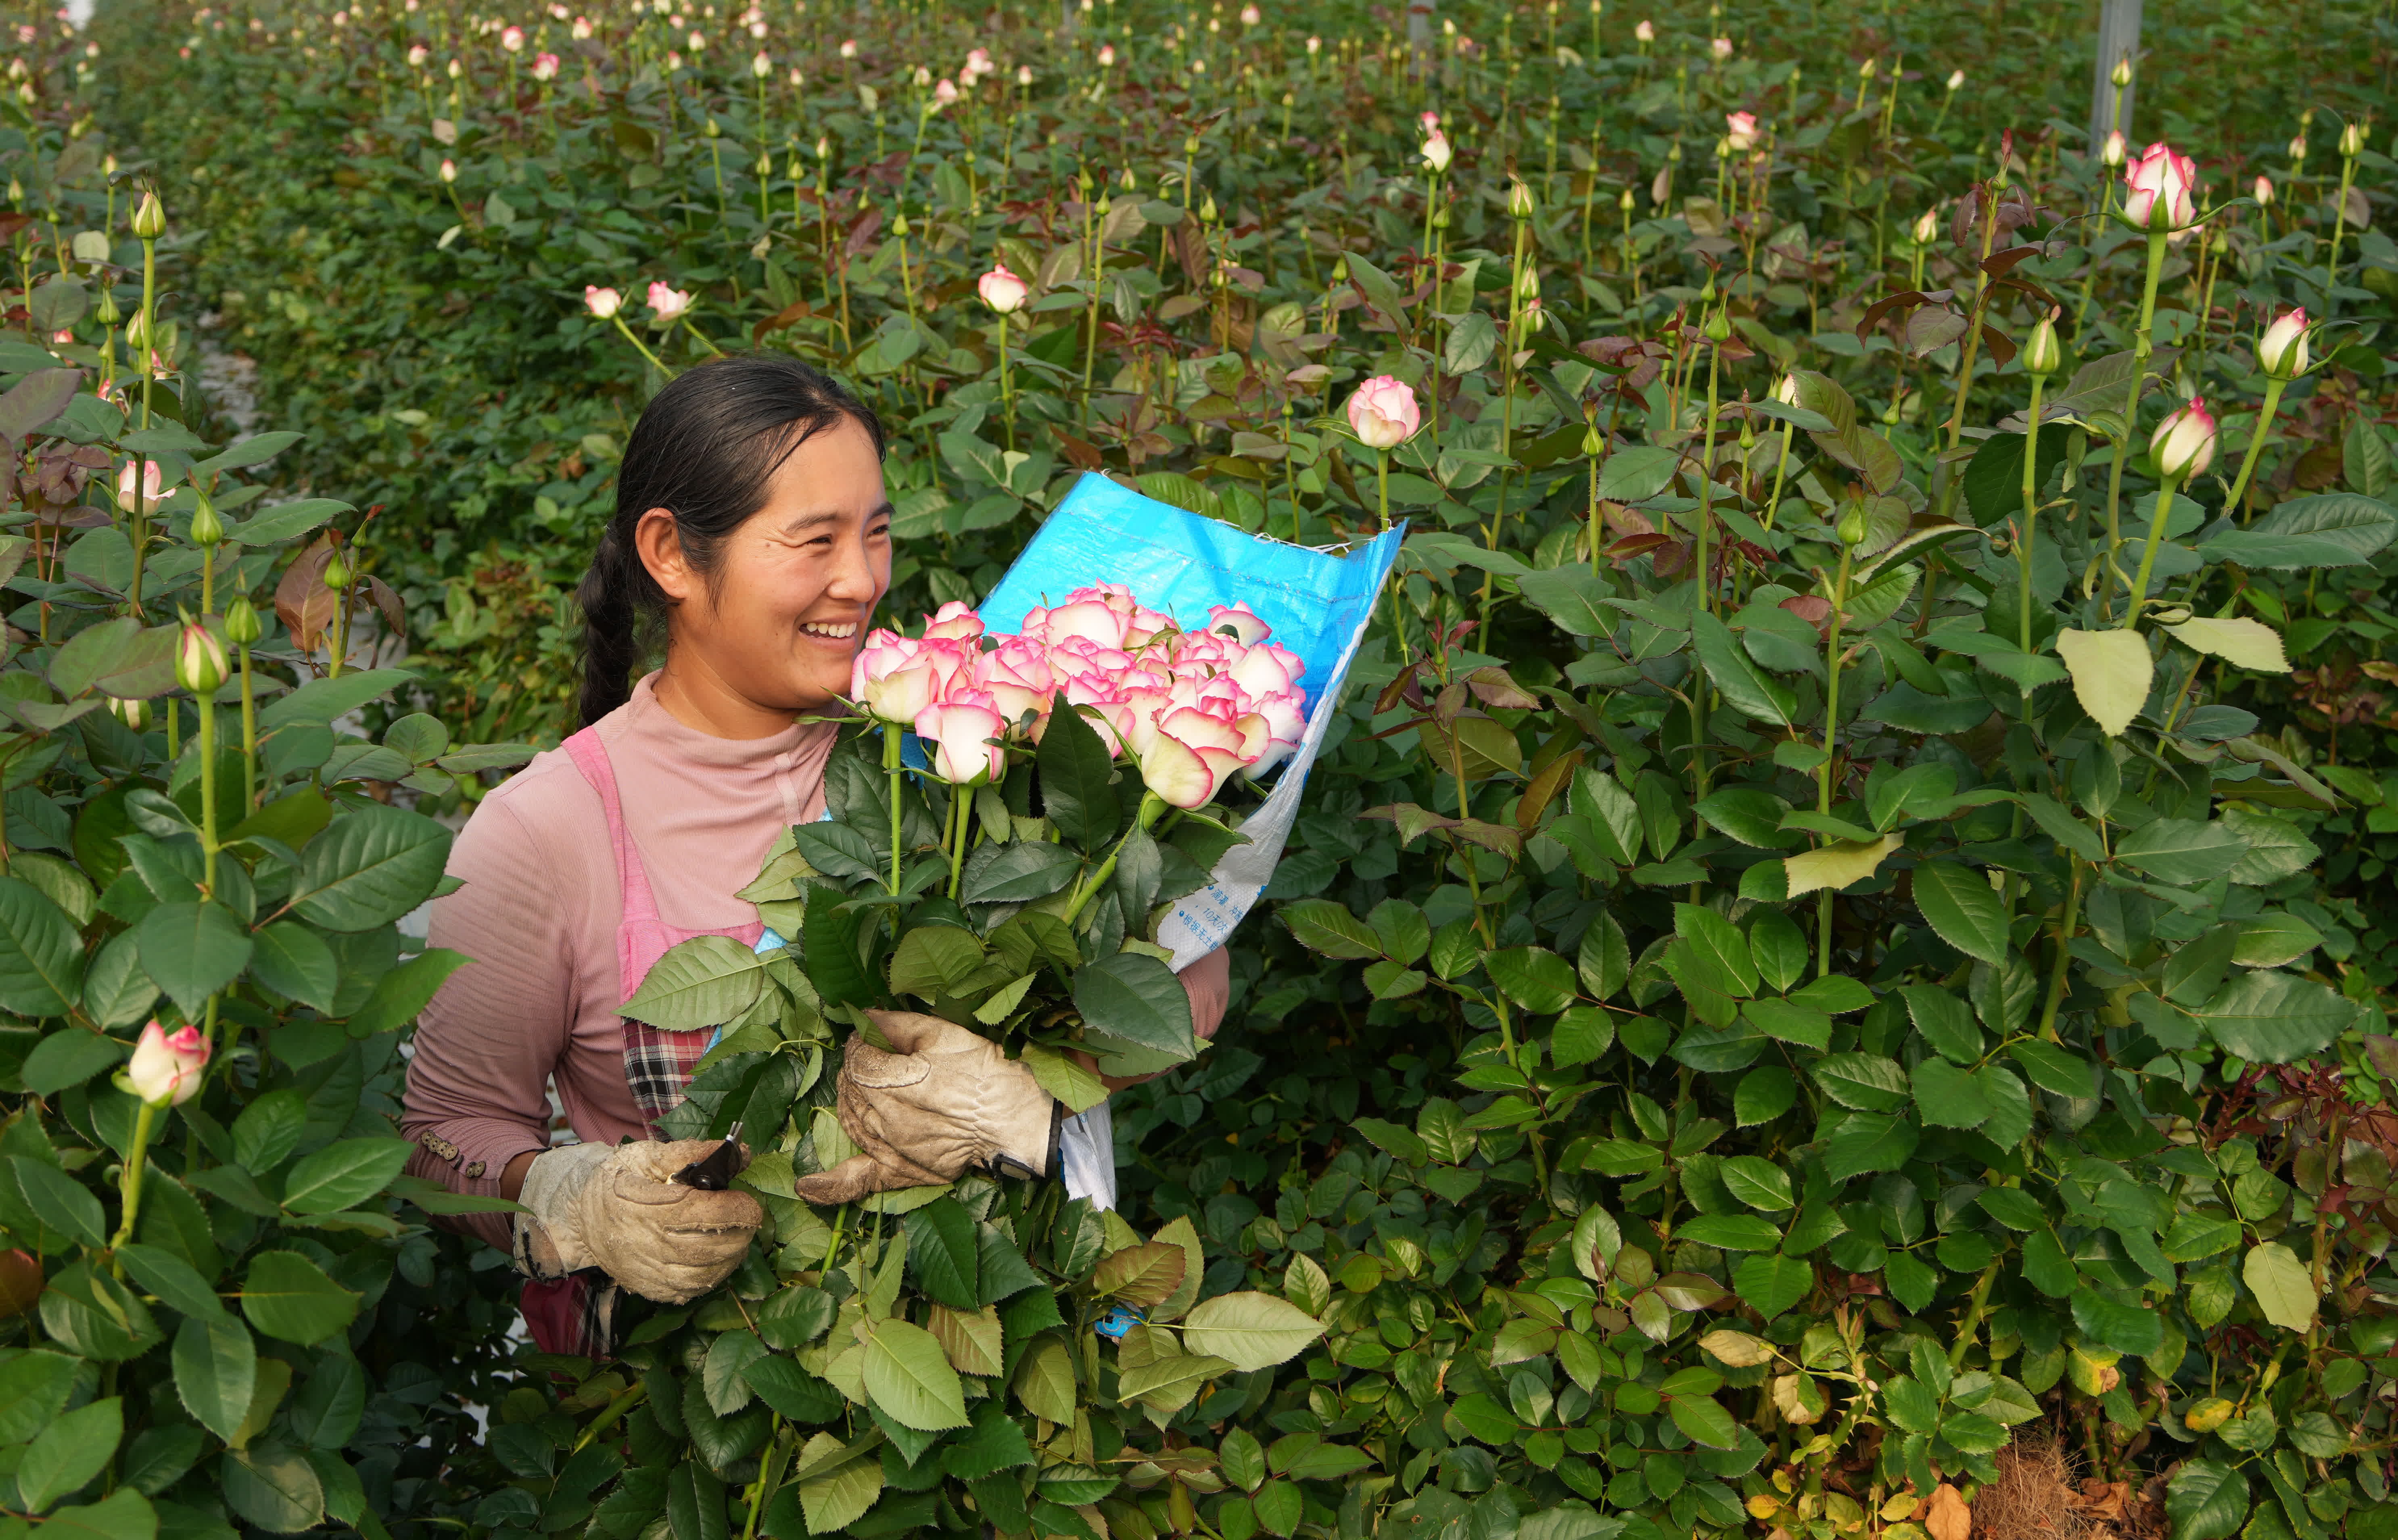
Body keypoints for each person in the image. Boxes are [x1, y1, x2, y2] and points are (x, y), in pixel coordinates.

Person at [400, 355, 1230, 1348]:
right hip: (712, 1400)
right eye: (815, 541)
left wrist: (1031, 1085)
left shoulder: (963, 743)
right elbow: (442, 1135)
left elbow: (1193, 974)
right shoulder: (545, 835)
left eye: (876, 533)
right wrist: (570, 1195)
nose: (863, 580)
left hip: (1010, 1337)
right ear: (669, 553)